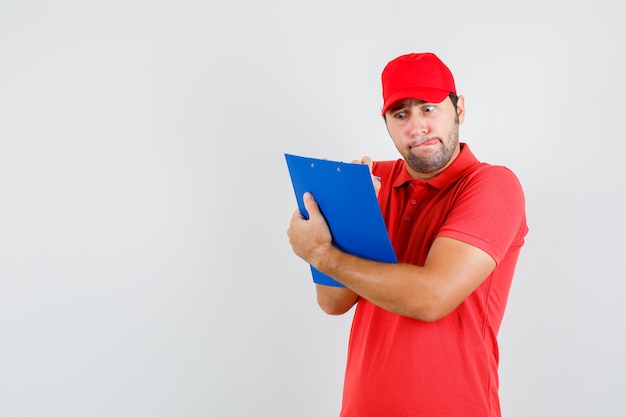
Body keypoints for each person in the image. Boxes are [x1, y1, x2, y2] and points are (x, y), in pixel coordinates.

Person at [287, 52, 528, 417]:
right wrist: (353, 215)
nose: (417, 128)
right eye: (401, 114)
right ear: (385, 122)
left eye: (428, 108)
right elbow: (333, 302)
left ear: (458, 109)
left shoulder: (492, 185)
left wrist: (321, 254)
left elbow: (431, 297)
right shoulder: (371, 183)